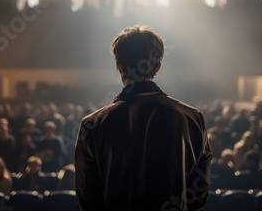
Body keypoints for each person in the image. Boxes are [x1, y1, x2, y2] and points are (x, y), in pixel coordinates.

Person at [75, 25, 212, 211]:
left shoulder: (93, 125)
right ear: (157, 66)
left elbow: (87, 201)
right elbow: (198, 196)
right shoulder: (192, 118)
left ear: (119, 65)